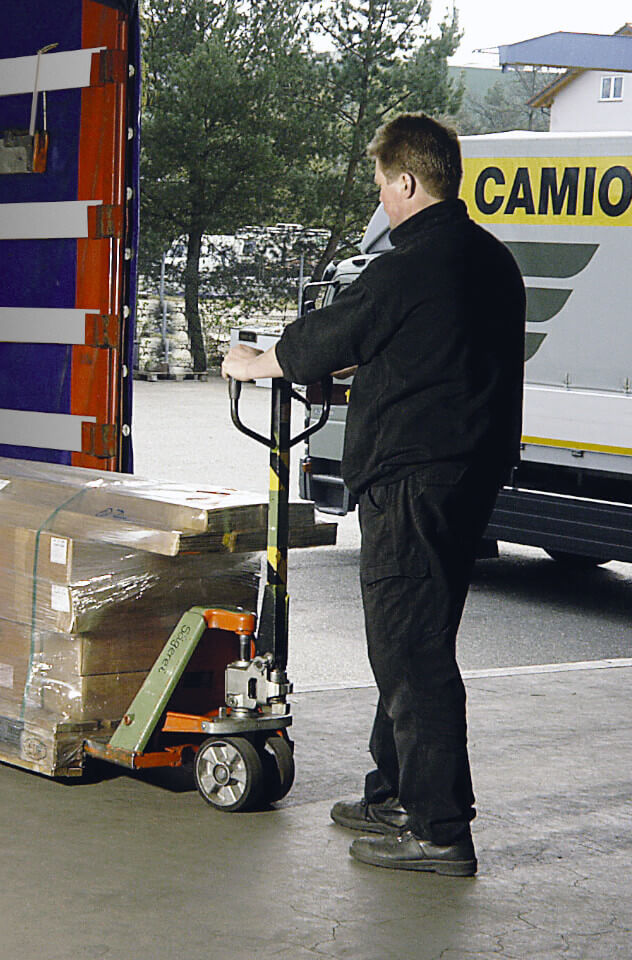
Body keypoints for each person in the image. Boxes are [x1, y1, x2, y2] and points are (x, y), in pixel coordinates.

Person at [222, 113, 525, 877]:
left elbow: (323, 340)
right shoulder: (490, 261)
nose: (383, 200)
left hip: (413, 484)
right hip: (467, 478)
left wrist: (256, 361)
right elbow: (433, 356)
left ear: (409, 182)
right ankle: (394, 790)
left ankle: (439, 828)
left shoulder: (406, 265)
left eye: (385, 185)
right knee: (417, 637)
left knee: (410, 650)